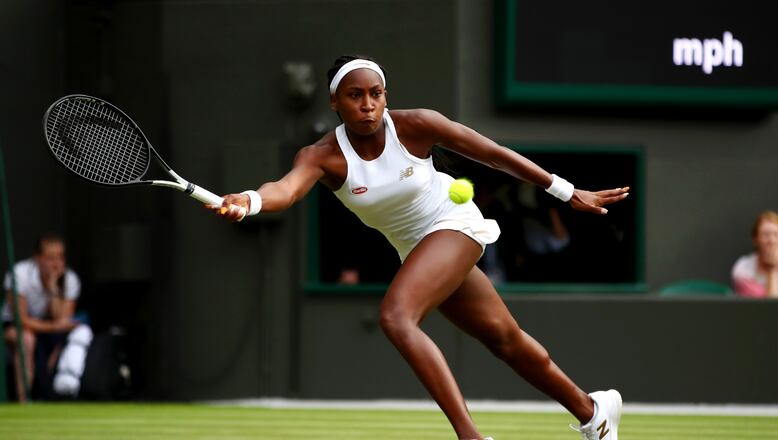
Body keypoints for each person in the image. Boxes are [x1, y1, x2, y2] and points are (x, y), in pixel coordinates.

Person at [212, 55, 629, 440]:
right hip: (416, 248)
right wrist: (251, 200)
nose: (367, 105)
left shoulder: (415, 125)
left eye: (375, 94)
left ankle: (471, 436)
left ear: (385, 97)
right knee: (505, 340)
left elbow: (493, 153)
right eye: (355, 96)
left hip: (454, 223)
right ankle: (595, 412)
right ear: (335, 102)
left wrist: (565, 190)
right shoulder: (322, 157)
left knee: (396, 317)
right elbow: (285, 189)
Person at [2, 233, 80, 401]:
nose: (56, 263)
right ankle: (24, 399)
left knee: (70, 339)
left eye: (60, 257)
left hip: (48, 329)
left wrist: (53, 288)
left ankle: (51, 394)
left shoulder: (70, 278)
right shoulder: (19, 275)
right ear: (37, 258)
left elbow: (62, 320)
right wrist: (53, 327)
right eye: (50, 258)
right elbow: (21, 320)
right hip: (15, 327)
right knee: (27, 339)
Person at [731, 210, 778, 298]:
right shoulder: (742, 268)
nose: (771, 241)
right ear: (755, 240)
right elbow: (767, 308)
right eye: (765, 235)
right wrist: (772, 270)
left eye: (776, 234)